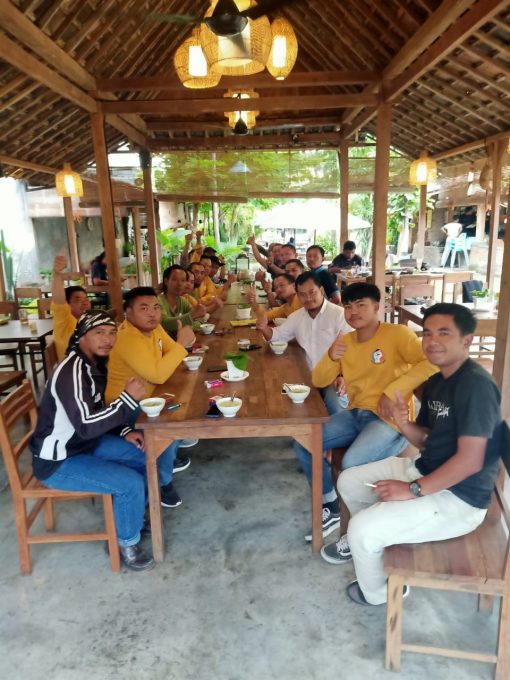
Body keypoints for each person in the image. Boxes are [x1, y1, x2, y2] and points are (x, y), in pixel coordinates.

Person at [328, 303, 503, 607]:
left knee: (361, 531)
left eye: (444, 333)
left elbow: (471, 460)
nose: (432, 341)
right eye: (427, 333)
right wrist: (403, 424)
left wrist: (412, 490)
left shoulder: (476, 386)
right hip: (424, 469)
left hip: (459, 499)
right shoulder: (437, 381)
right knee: (349, 481)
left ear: (467, 340)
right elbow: (426, 441)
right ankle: (378, 542)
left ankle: (380, 593)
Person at [294, 282, 436, 542]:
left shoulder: (397, 334)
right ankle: (331, 504)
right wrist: (332, 356)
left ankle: (368, 527)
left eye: (361, 305)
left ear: (377, 306)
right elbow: (318, 380)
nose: (354, 312)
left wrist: (392, 390)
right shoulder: (345, 342)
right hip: (356, 415)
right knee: (303, 440)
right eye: (348, 306)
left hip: (390, 422)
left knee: (351, 466)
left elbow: (429, 363)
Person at [30, 310, 155, 571]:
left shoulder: (92, 365)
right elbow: (87, 425)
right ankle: (126, 544)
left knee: (144, 454)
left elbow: (97, 410)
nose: (107, 339)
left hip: (82, 445)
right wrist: (127, 399)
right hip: (58, 461)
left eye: (111, 333)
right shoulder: (72, 373)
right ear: (82, 336)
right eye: (99, 333)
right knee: (130, 483)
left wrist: (124, 431)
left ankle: (129, 520)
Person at [105, 287, 196, 507]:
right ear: (128, 312)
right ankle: (163, 483)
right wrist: (182, 345)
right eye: (144, 309)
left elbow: (170, 352)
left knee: (182, 402)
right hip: (123, 407)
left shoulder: (154, 329)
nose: (152, 313)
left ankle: (168, 456)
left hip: (149, 395)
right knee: (167, 422)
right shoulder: (127, 337)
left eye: (155, 307)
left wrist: (179, 347)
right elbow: (159, 373)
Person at [51, 248, 92, 361]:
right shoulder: (65, 322)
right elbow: (59, 300)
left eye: (86, 299)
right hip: (73, 369)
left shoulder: (90, 321)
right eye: (78, 300)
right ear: (67, 305)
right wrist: (57, 274)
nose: (85, 302)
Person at [159, 264, 206, 336]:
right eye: (174, 279)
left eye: (183, 280)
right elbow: (164, 323)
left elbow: (200, 320)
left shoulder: (182, 301)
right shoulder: (158, 301)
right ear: (166, 281)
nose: (179, 284)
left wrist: (183, 328)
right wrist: (192, 315)